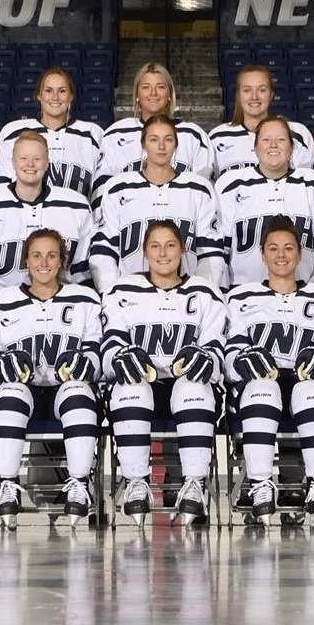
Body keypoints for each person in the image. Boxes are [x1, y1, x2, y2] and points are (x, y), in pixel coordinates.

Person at [102, 221, 227, 526]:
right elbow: (109, 346)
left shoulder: (205, 293)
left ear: (182, 249)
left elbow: (216, 350)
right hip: (140, 389)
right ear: (145, 251)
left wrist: (205, 358)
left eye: (170, 245)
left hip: (190, 390)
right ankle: (136, 482)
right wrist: (121, 357)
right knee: (132, 384)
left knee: (192, 385)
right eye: (155, 246)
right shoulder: (122, 290)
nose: (162, 253)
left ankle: (194, 484)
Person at [224, 217, 314, 528]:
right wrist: (243, 360)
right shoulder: (240, 297)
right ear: (262, 254)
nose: (281, 255)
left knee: (311, 390)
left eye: (289, 248)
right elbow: (231, 355)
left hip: (304, 385)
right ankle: (260, 485)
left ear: (301, 254)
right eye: (273, 248)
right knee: (263, 386)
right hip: (262, 386)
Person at [0, 230, 106, 529]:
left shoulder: (84, 298)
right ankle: (7, 485)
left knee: (78, 389)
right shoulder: (3, 300)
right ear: (26, 260)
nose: (44, 262)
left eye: (52, 255)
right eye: (37, 255)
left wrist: (84, 363)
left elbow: (95, 353)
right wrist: (4, 364)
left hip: (64, 393)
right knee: (9, 391)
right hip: (24, 392)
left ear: (62, 260)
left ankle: (79, 484)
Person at [89, 116, 225, 292]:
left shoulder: (198, 188)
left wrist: (200, 293)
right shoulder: (118, 187)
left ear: (176, 145)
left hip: (186, 298)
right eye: (154, 139)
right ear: (143, 144)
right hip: (131, 297)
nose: (161, 147)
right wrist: (113, 294)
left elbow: (210, 252)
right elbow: (104, 250)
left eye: (168, 139)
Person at [0, 131, 94, 290]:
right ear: (12, 162)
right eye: (23, 158)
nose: (30, 164)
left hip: (58, 305)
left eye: (37, 159)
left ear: (47, 163)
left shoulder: (76, 206)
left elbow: (83, 275)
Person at [214, 116, 314, 289]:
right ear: (255, 147)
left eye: (281, 139)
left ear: (292, 147)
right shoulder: (230, 185)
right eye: (266, 139)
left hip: (303, 296)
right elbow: (217, 249)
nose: (273, 145)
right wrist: (224, 293)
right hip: (243, 298)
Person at [0, 67, 104, 198]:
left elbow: (101, 191)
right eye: (48, 91)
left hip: (76, 216)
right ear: (39, 95)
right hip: (23, 217)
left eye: (62, 91)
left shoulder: (93, 135)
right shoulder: (12, 132)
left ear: (71, 96)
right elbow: (1, 188)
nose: (55, 97)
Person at [98, 63, 213, 182]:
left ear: (170, 94)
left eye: (160, 87)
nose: (153, 93)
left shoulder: (194, 135)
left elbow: (204, 189)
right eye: (146, 87)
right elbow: (103, 186)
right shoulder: (115, 133)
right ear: (137, 94)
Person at [206, 66, 314, 177]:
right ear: (238, 96)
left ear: (271, 94)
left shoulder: (298, 133)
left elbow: (312, 183)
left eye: (262, 90)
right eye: (247, 90)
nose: (254, 97)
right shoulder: (217, 137)